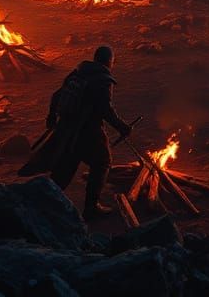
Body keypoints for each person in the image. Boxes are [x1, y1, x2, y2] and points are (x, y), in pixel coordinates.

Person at [18, 44, 131, 219]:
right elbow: (105, 110)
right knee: (102, 162)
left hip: (67, 130)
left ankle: (41, 203)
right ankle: (91, 208)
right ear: (110, 61)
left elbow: (56, 95)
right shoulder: (102, 80)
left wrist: (51, 117)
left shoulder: (78, 73)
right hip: (88, 131)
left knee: (65, 168)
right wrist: (122, 127)